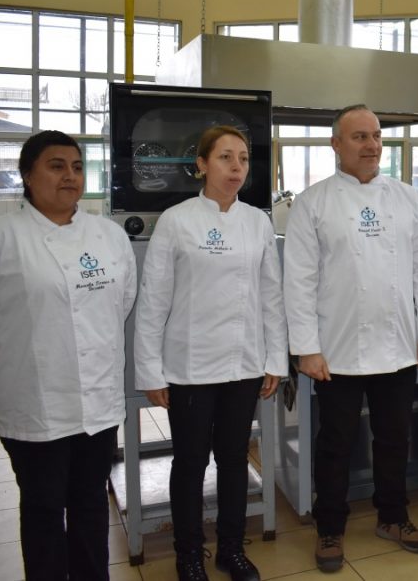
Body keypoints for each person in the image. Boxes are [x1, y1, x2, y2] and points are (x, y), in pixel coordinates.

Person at [0, 130, 137, 581]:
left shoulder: (108, 236)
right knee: (44, 507)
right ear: (27, 175)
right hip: (35, 401)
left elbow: (123, 299)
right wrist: (2, 351)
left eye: (76, 167)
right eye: (56, 166)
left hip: (98, 400)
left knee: (90, 502)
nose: (69, 176)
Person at [283, 104, 418, 573]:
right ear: (336, 144)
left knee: (395, 437)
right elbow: (298, 280)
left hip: (398, 344)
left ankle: (393, 516)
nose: (372, 145)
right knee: (335, 442)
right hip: (337, 349)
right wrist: (306, 347)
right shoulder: (313, 203)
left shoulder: (407, 198)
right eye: (359, 137)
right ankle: (330, 526)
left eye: (376, 136)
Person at [134, 125, 288, 581]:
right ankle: (188, 553)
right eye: (224, 157)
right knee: (190, 462)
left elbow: (271, 296)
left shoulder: (258, 222)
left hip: (243, 362)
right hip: (191, 365)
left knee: (234, 459)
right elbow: (154, 301)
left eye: (243, 158)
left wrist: (274, 360)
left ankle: (231, 549)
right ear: (201, 165)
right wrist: (151, 371)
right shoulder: (176, 220)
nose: (236, 167)